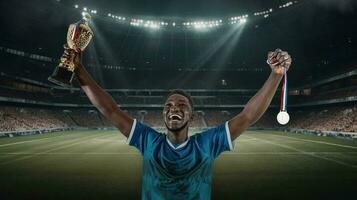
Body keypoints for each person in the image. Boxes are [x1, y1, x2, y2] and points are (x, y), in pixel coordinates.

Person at [63, 46, 291, 200]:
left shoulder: (207, 143)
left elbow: (248, 115)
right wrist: (80, 70)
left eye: (182, 105)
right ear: (163, 115)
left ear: (192, 116)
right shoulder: (148, 140)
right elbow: (109, 109)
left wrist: (276, 75)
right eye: (168, 106)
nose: (173, 108)